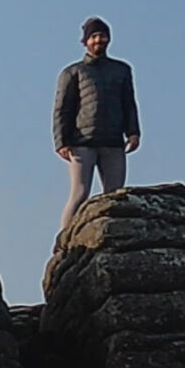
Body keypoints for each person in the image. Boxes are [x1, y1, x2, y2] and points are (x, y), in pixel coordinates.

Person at [53, 16, 139, 220]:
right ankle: (64, 244)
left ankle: (112, 244)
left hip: (113, 142)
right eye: (94, 36)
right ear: (85, 41)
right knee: (79, 194)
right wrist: (61, 142)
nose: (99, 40)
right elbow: (62, 110)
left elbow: (129, 103)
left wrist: (134, 132)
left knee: (115, 196)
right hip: (82, 143)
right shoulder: (73, 72)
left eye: (102, 36)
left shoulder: (122, 70)